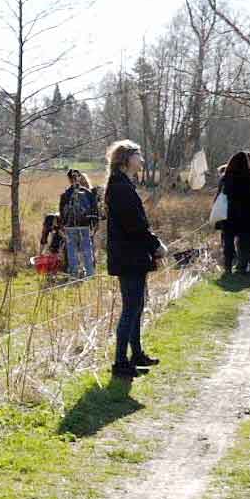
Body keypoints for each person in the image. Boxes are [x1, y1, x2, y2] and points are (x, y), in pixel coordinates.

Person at [103, 140, 163, 378]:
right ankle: (120, 363)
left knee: (137, 307)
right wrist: (156, 244)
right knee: (131, 309)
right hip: (128, 256)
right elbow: (135, 225)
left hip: (132, 255)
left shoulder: (123, 184)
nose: (142, 160)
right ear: (126, 159)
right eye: (138, 156)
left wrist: (151, 244)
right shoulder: (120, 188)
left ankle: (136, 354)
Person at [217, 152, 250, 276]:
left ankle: (228, 267)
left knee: (228, 243)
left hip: (229, 215)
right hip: (247, 216)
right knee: (244, 242)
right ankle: (242, 266)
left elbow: (220, 196)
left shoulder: (226, 178)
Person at [58, 169, 100, 277]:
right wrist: (94, 225)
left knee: (72, 251)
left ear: (69, 179)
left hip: (69, 227)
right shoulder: (88, 193)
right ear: (80, 177)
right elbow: (95, 210)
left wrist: (62, 227)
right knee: (87, 250)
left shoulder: (65, 194)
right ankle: (90, 274)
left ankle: (74, 274)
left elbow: (62, 212)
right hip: (85, 226)